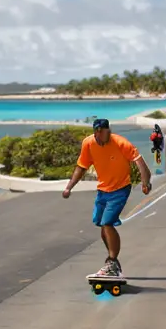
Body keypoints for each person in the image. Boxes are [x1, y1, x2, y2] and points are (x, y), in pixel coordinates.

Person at [62, 118, 151, 278]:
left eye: (109, 130)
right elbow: (81, 166)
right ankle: (113, 263)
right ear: (97, 132)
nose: (108, 134)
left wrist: (146, 182)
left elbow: (140, 163)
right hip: (103, 190)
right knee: (101, 224)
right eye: (105, 132)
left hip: (121, 188)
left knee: (107, 223)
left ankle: (112, 260)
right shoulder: (88, 144)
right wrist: (69, 187)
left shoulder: (120, 143)